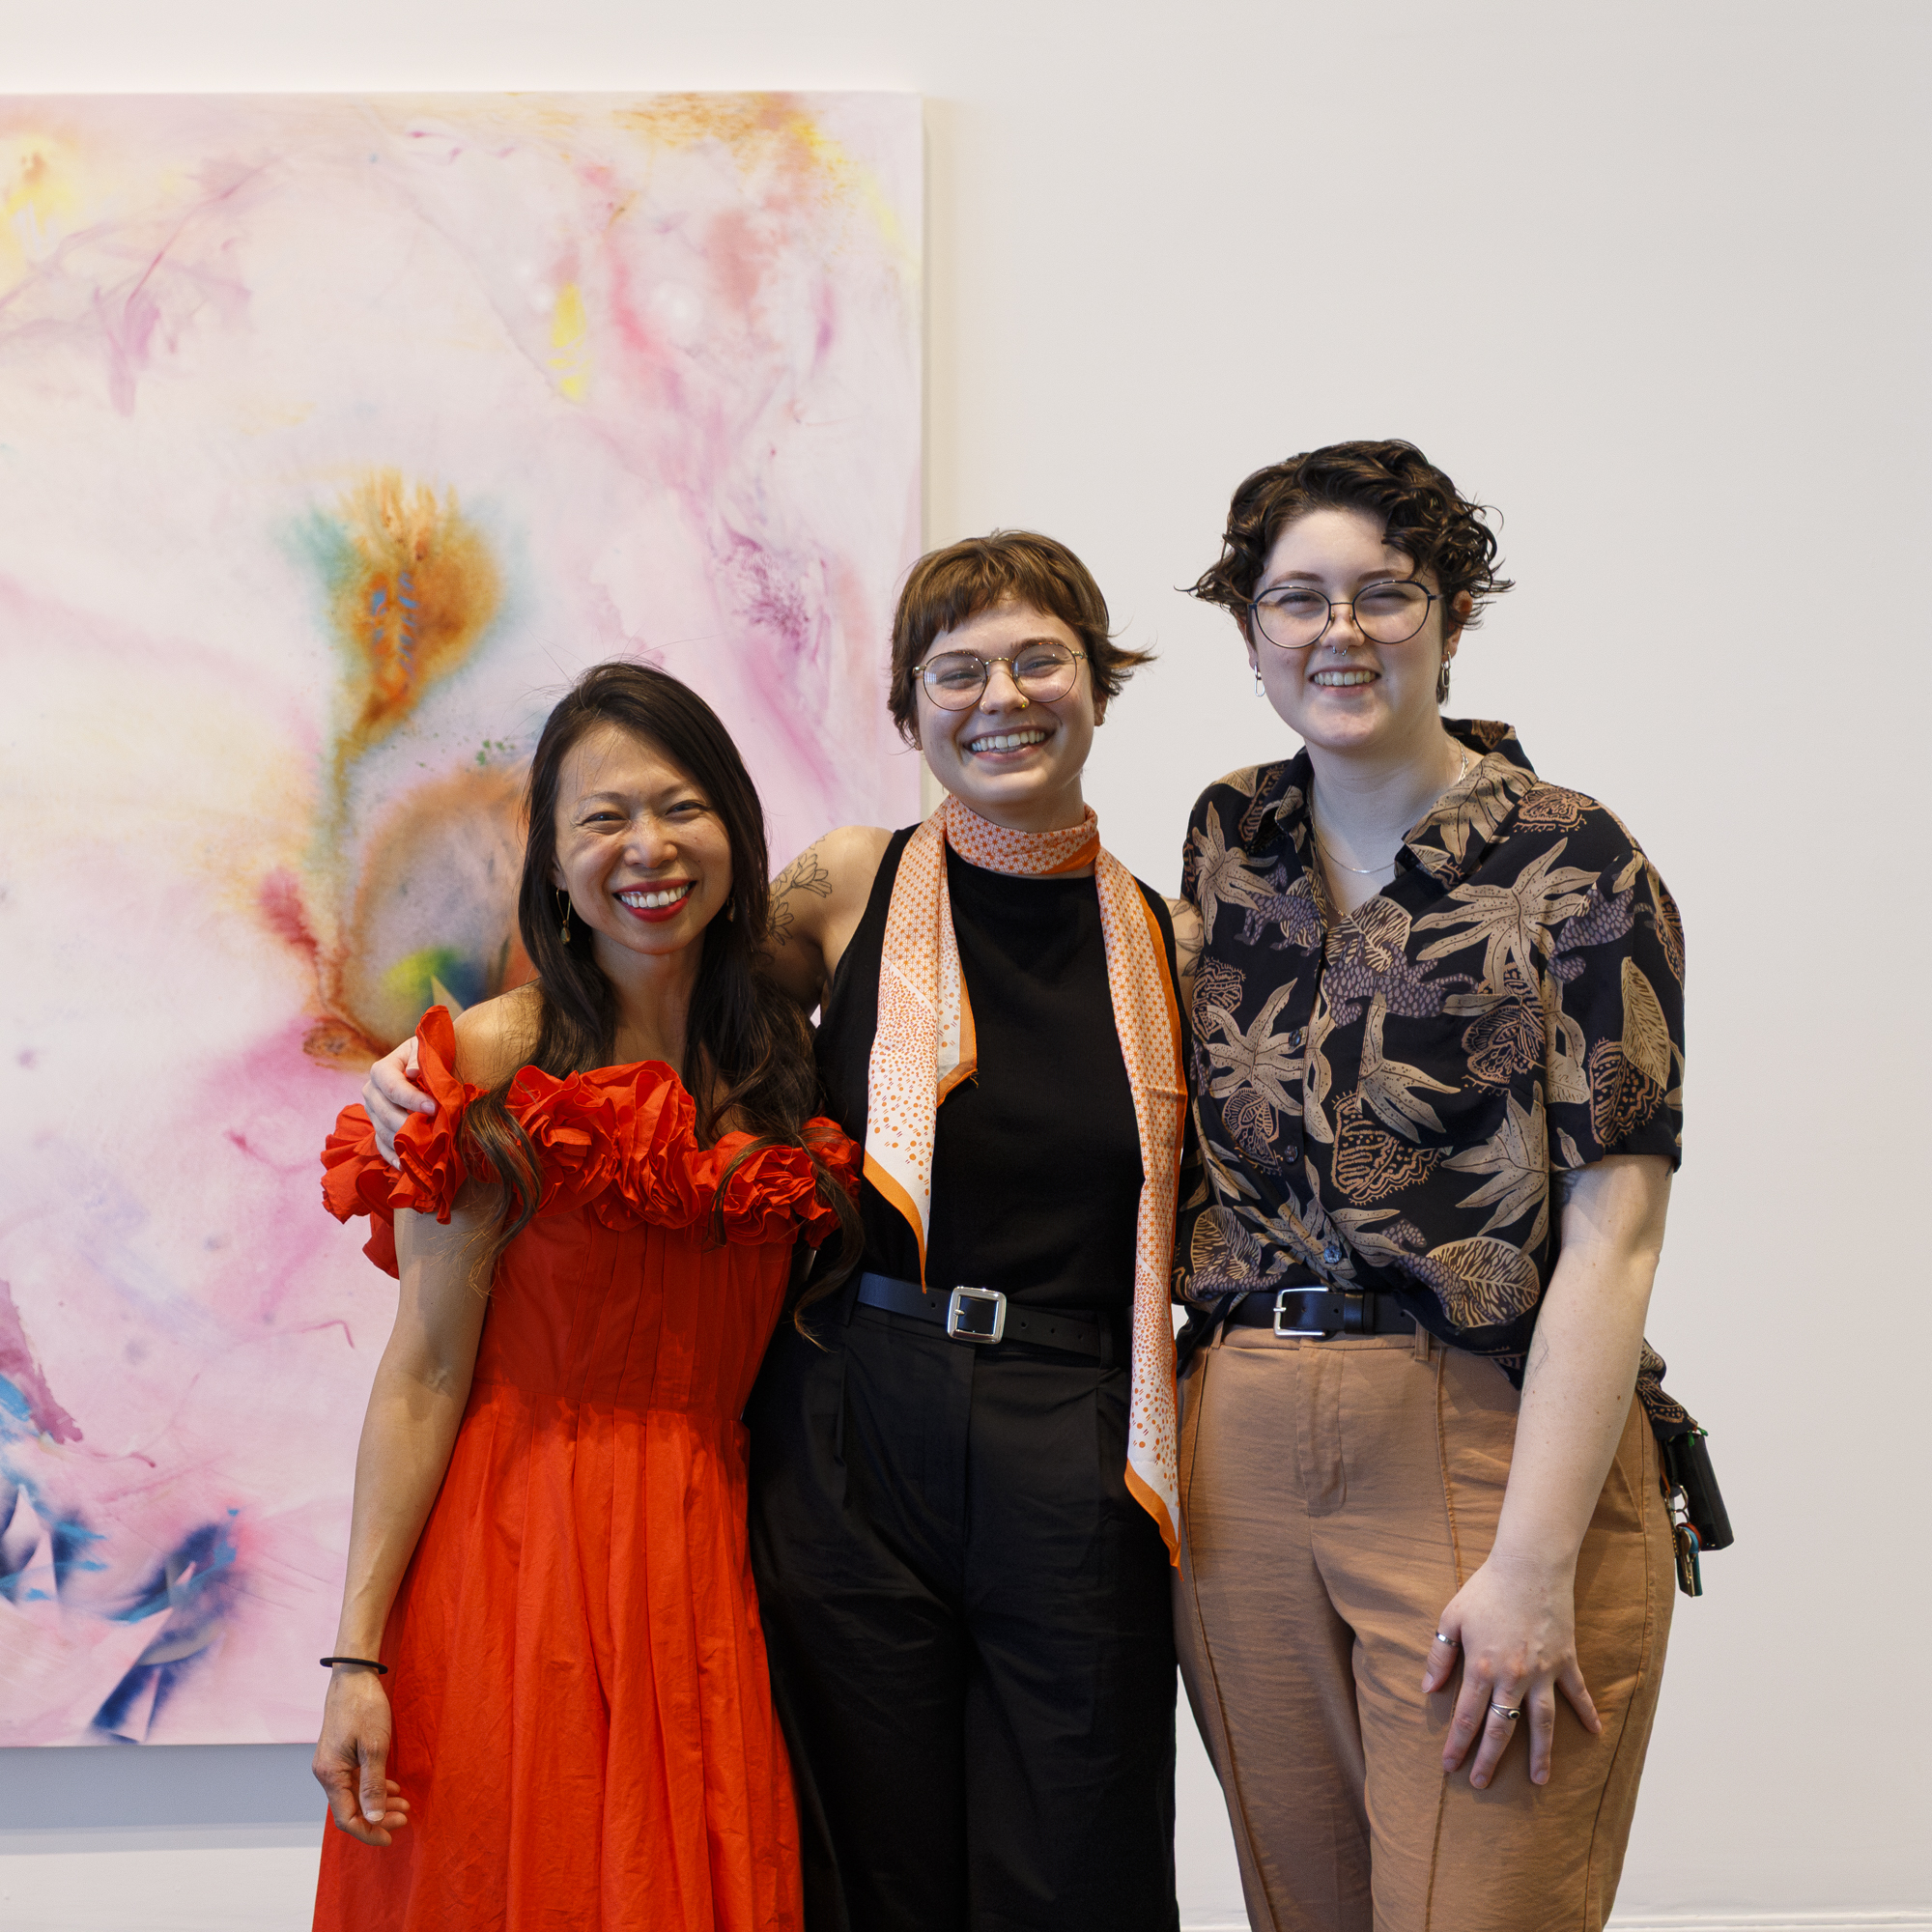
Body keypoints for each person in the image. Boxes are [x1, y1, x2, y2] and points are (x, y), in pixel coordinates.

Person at [362, 531, 1197, 1932]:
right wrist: (456, 1049)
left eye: (1040, 657)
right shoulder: (855, 882)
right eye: (957, 669)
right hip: (859, 1416)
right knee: (867, 1855)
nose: (1003, 695)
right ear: (909, 710)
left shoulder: (1164, 940)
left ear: (1099, 684)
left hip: (1074, 1424)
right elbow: (656, 982)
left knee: (1082, 1851)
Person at [1171, 439, 1692, 1932]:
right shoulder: (1229, 839)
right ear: (1251, 629)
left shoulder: (1578, 863)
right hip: (1247, 1447)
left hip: (1485, 1434)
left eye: (1385, 594)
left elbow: (1617, 1237)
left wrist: (1532, 1567)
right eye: (1297, 599)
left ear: (1452, 617)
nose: (1340, 632)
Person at [311, 661, 860, 1932]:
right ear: (552, 867)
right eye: (602, 820)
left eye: (680, 807)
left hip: (715, 1560)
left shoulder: (781, 1062)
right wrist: (356, 1655)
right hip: (516, 1561)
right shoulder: (490, 1063)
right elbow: (423, 1372)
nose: (647, 849)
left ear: (735, 829)